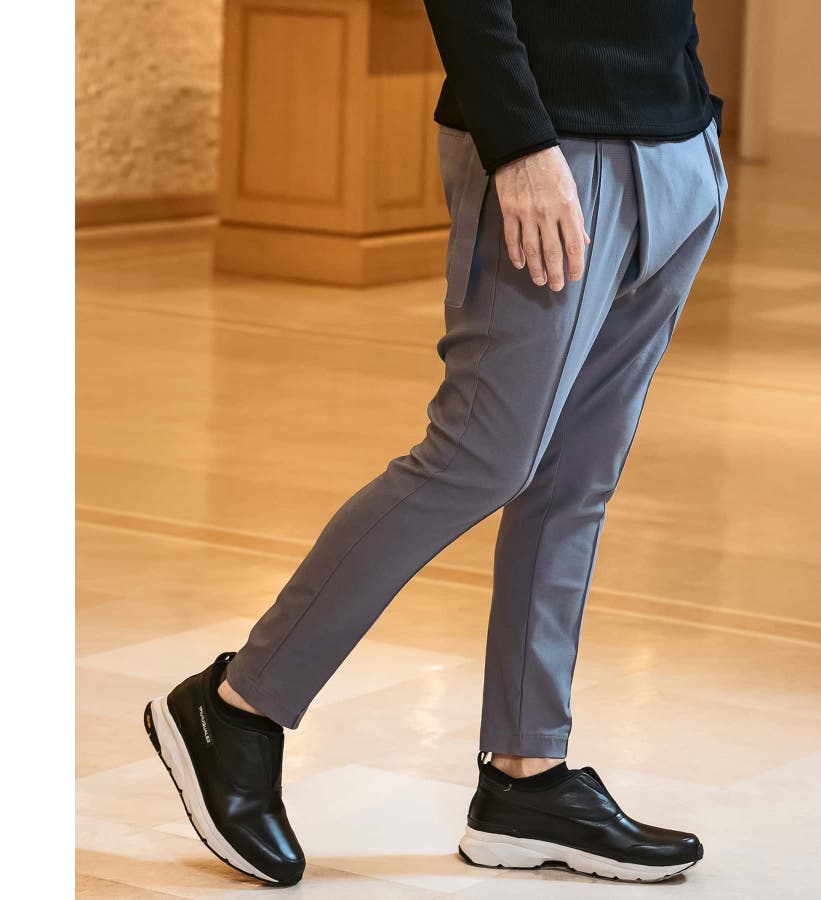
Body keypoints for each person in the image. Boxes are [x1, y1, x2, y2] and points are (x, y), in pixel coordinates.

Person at [143, 0, 727, 886]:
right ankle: (237, 707)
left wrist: (694, 130)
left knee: (576, 476)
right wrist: (518, 140)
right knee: (478, 456)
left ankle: (527, 775)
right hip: (553, 144)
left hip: (676, 134)